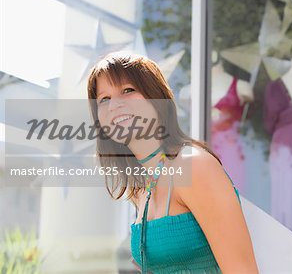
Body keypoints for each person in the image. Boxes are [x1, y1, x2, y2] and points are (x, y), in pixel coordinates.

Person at [86, 51, 259, 273]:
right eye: (104, 99)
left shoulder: (193, 166)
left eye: (128, 90)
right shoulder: (140, 189)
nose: (114, 105)